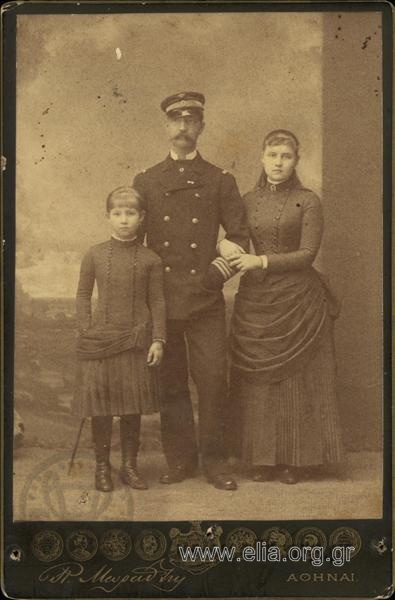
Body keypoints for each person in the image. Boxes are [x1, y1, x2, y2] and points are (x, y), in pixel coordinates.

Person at [133, 91, 249, 490]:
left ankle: (215, 463)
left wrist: (212, 278)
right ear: (167, 126)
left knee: (214, 381)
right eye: (176, 120)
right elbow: (138, 245)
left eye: (190, 119)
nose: (183, 127)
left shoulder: (220, 180)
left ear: (201, 126)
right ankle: (180, 461)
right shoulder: (146, 181)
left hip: (205, 299)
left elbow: (239, 238)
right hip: (163, 300)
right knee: (170, 384)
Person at [228, 129, 344, 484]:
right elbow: (237, 239)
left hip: (299, 303)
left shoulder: (308, 201)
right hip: (258, 300)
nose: (278, 163)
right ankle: (262, 460)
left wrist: (260, 261)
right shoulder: (247, 199)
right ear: (262, 157)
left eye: (286, 156)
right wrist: (226, 248)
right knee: (261, 385)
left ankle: (296, 460)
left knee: (296, 383)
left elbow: (308, 254)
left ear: (296, 160)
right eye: (272, 155)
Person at [74, 186, 166, 492]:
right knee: (100, 407)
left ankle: (129, 467)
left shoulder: (151, 259)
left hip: (136, 342)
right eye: (117, 214)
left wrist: (158, 339)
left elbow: (158, 302)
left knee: (131, 407)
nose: (123, 220)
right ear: (107, 217)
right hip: (100, 341)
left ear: (141, 218)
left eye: (130, 214)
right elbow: (83, 294)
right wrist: (86, 329)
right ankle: (102, 467)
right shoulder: (95, 254)